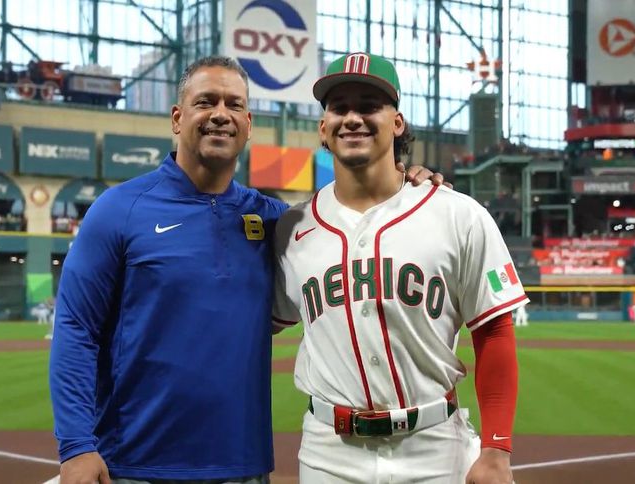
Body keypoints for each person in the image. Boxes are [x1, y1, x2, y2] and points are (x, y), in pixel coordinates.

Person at [49, 55, 444, 484]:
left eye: (234, 104)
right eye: (206, 102)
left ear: (249, 124)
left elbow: (353, 221)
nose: (221, 114)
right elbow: (75, 328)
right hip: (135, 464)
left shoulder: (280, 222)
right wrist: (76, 446)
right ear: (178, 119)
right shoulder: (119, 210)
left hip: (244, 467)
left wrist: (405, 187)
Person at [272, 52, 526, 484]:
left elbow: (494, 332)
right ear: (323, 127)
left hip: (436, 449)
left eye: (369, 106)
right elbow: (256, 327)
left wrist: (497, 449)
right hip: (329, 456)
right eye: (339, 107)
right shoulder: (292, 228)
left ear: (397, 122)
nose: (353, 118)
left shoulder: (457, 215)